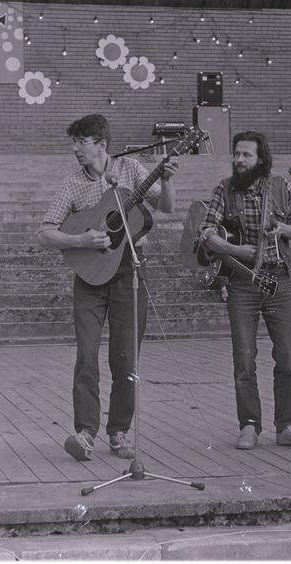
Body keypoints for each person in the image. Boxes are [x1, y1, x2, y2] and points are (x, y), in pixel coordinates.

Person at [38, 114, 179, 461]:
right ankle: (85, 433)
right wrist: (80, 239)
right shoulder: (71, 184)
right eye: (73, 143)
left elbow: (167, 206)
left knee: (125, 358)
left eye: (81, 142)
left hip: (128, 274)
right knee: (86, 356)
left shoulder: (130, 168)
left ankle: (119, 432)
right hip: (88, 279)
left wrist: (168, 179)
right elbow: (45, 232)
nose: (75, 149)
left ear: (101, 144)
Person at [197, 131, 291, 450]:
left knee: (287, 356)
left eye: (246, 155)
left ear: (261, 159)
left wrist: (282, 229)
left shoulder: (279, 186)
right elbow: (206, 232)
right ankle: (249, 424)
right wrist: (235, 251)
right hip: (242, 283)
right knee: (244, 358)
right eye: (236, 154)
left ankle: (286, 425)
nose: (239, 160)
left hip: (279, 280)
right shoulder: (225, 188)